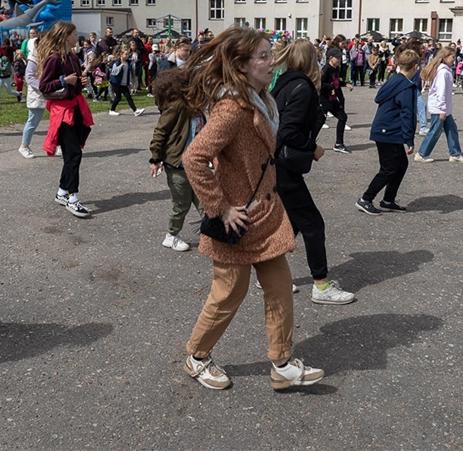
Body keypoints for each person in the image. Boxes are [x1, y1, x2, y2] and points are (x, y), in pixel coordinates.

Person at [181, 27, 324, 391]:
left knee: (280, 285)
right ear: (242, 65)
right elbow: (193, 157)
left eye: (269, 53)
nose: (271, 60)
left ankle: (282, 363)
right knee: (229, 292)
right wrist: (221, 208)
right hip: (238, 223)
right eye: (262, 56)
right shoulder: (233, 108)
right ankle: (197, 357)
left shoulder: (262, 100)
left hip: (265, 216)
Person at [272, 40, 355, 305]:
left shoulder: (283, 82)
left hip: (275, 164)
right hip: (284, 166)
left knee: (293, 222)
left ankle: (276, 274)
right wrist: (313, 148)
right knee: (313, 223)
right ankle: (321, 285)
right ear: (311, 59)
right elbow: (287, 131)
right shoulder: (302, 87)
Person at [37, 21, 94, 218]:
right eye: (74, 33)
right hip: (63, 113)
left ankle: (62, 192)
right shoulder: (54, 58)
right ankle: (73, 198)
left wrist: (82, 82)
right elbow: (44, 86)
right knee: (74, 154)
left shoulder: (72, 57)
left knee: (73, 152)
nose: (77, 37)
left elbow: (75, 83)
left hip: (75, 108)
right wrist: (63, 81)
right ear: (64, 36)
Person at [356, 47, 421, 216]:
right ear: (415, 66)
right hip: (389, 132)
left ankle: (388, 200)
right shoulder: (406, 87)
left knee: (401, 165)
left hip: (386, 129)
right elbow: (407, 114)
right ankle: (365, 199)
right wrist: (410, 139)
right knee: (389, 169)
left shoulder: (394, 79)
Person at [149, 68, 204, 252]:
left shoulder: (199, 109)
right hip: (177, 164)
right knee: (181, 202)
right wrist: (155, 158)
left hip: (197, 165)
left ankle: (213, 235)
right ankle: (171, 236)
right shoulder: (178, 106)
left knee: (206, 201)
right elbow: (160, 131)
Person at [414, 47, 463, 163]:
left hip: (444, 108)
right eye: (452, 57)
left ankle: (455, 154)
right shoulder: (443, 72)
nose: (454, 59)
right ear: (445, 57)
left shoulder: (445, 70)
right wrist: (442, 109)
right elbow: (441, 92)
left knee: (452, 129)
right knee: (435, 131)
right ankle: (421, 153)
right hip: (439, 108)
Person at [320, 40, 353, 154]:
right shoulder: (326, 69)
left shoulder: (335, 68)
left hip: (333, 100)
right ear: (331, 58)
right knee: (319, 121)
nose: (339, 60)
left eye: (340, 58)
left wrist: (345, 84)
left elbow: (336, 81)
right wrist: (330, 88)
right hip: (324, 99)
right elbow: (320, 83)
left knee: (342, 117)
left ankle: (339, 144)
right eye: (337, 58)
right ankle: (309, 142)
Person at [18, 38, 46, 159]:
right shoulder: (33, 59)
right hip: (38, 93)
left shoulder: (49, 56)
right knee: (33, 121)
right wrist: (43, 87)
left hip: (50, 92)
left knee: (59, 120)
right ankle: (24, 146)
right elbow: (29, 77)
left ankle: (58, 145)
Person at [108, 47, 145, 117]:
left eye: (128, 54)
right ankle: (112, 110)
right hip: (116, 83)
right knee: (118, 97)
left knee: (128, 97)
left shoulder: (127, 63)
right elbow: (114, 72)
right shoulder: (117, 62)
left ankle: (135, 111)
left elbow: (128, 74)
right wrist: (120, 66)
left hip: (124, 83)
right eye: (126, 54)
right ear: (121, 54)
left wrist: (129, 82)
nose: (127, 56)